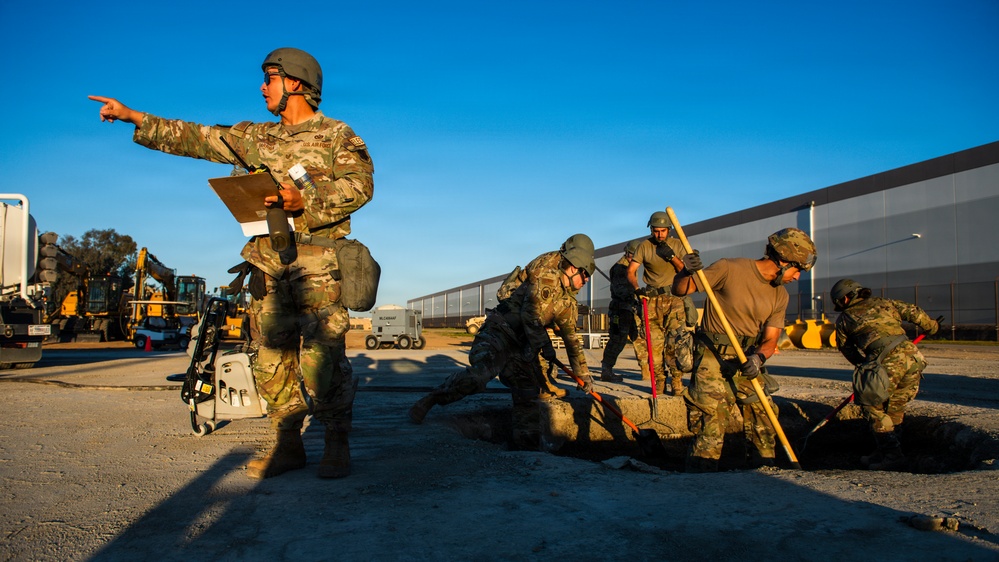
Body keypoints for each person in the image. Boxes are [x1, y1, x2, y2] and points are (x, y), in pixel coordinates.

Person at [90, 48, 374, 480]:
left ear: (296, 82)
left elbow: (360, 186)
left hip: (318, 265)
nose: (262, 87)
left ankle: (336, 441)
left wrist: (305, 199)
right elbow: (199, 137)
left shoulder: (337, 135)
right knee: (269, 358)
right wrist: (134, 117)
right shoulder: (256, 137)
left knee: (324, 357)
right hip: (268, 266)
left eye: (270, 78)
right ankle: (288, 444)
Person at [408, 235, 597, 449]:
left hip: (521, 343)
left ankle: (526, 448)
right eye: (585, 274)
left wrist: (583, 375)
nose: (586, 280)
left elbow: (571, 340)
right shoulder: (547, 275)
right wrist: (545, 346)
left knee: (527, 391)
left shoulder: (567, 301)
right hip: (500, 332)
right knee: (480, 376)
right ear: (573, 267)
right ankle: (433, 398)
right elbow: (530, 316)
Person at [673, 227, 817, 472]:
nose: (797, 278)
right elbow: (680, 289)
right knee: (711, 423)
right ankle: (699, 478)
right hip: (713, 358)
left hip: (747, 360)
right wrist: (686, 270)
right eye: (798, 270)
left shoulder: (780, 295)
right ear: (784, 260)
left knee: (764, 415)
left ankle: (764, 472)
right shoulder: (729, 268)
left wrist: (759, 358)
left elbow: (770, 340)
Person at [831, 278, 940, 470]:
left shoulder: (845, 318)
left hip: (886, 362)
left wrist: (865, 365)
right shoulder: (885, 302)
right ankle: (885, 451)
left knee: (871, 407)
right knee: (895, 407)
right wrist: (931, 325)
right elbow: (913, 312)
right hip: (913, 358)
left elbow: (846, 349)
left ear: (845, 299)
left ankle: (892, 455)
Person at [628, 211, 690, 396]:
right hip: (651, 300)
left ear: (669, 229)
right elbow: (631, 271)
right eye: (656, 231)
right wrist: (637, 289)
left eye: (663, 231)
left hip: (674, 299)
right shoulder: (644, 246)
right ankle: (660, 382)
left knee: (674, 343)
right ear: (651, 230)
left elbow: (685, 270)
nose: (660, 234)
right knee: (654, 345)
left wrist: (671, 256)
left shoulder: (677, 245)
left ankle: (677, 381)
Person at [600, 240, 640, 382]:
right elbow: (620, 291)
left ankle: (647, 369)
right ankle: (606, 370)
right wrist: (637, 296)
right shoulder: (620, 268)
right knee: (617, 340)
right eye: (632, 255)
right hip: (621, 309)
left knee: (638, 337)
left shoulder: (630, 266)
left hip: (629, 309)